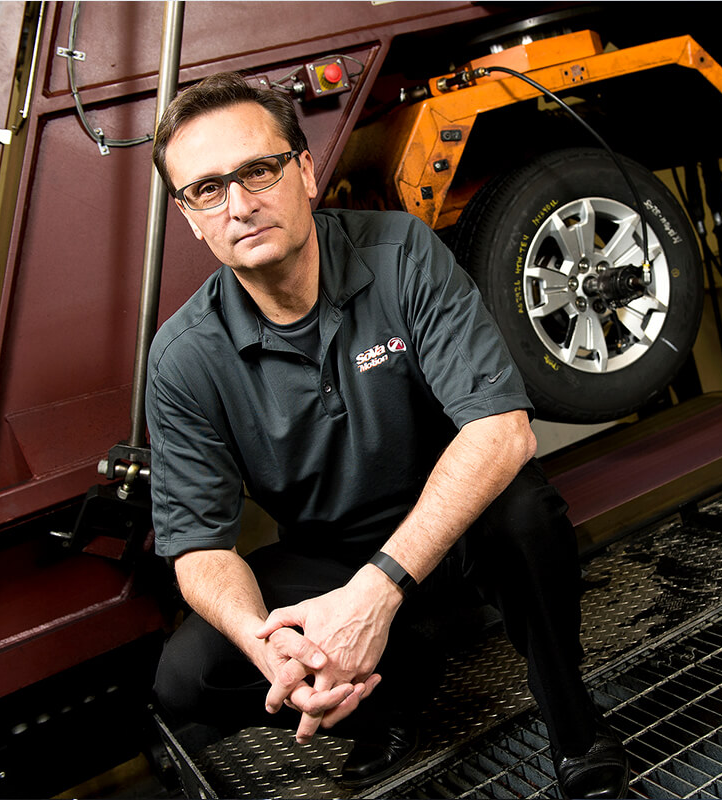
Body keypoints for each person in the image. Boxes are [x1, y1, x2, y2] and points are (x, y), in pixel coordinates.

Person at [145, 72, 628, 798]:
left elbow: (502, 432)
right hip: (331, 558)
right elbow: (199, 550)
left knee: (524, 514)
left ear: (304, 171)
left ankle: (574, 719)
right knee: (188, 676)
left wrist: (376, 594)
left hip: (458, 528)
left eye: (259, 170)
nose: (240, 205)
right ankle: (391, 697)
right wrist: (269, 648)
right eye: (207, 190)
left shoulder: (400, 254)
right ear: (188, 215)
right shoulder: (183, 356)